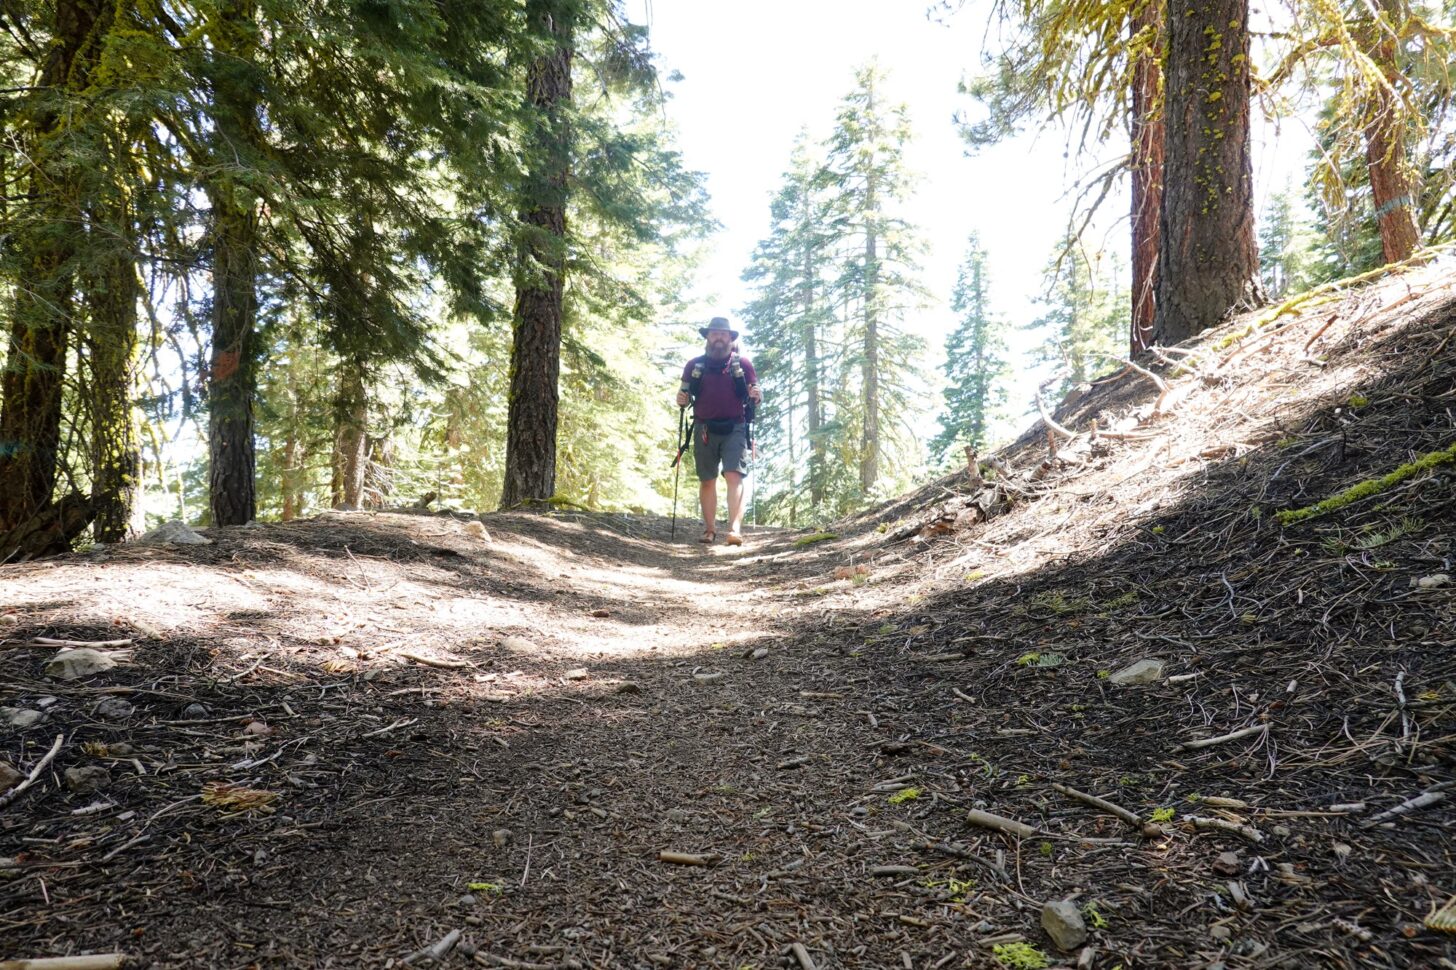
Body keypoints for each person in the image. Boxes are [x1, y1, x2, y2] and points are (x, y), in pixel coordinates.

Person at [675, 317, 762, 545]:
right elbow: (683, 394)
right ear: (708, 337)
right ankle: (710, 530)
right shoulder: (694, 365)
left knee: (734, 475)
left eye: (723, 334)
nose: (719, 338)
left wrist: (757, 396)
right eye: (715, 333)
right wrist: (681, 399)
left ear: (730, 339)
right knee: (707, 479)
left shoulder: (743, 364)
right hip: (704, 427)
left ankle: (734, 529)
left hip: (736, 426)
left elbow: (755, 391)